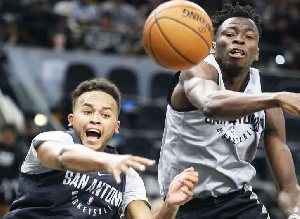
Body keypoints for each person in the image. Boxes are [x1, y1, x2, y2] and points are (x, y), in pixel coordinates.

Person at [158, 3, 300, 219]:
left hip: (238, 202)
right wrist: (278, 98)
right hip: (183, 203)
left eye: (249, 37)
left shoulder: (264, 95)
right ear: (213, 46)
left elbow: (288, 187)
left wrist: (294, 215)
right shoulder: (196, 70)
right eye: (230, 34)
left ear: (257, 54)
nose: (239, 39)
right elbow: (211, 104)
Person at [4, 78, 199, 218]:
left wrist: (170, 205)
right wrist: (106, 161)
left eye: (105, 115)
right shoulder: (53, 139)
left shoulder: (127, 177)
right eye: (87, 111)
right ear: (71, 120)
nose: (95, 119)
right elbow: (61, 156)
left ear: (116, 127)